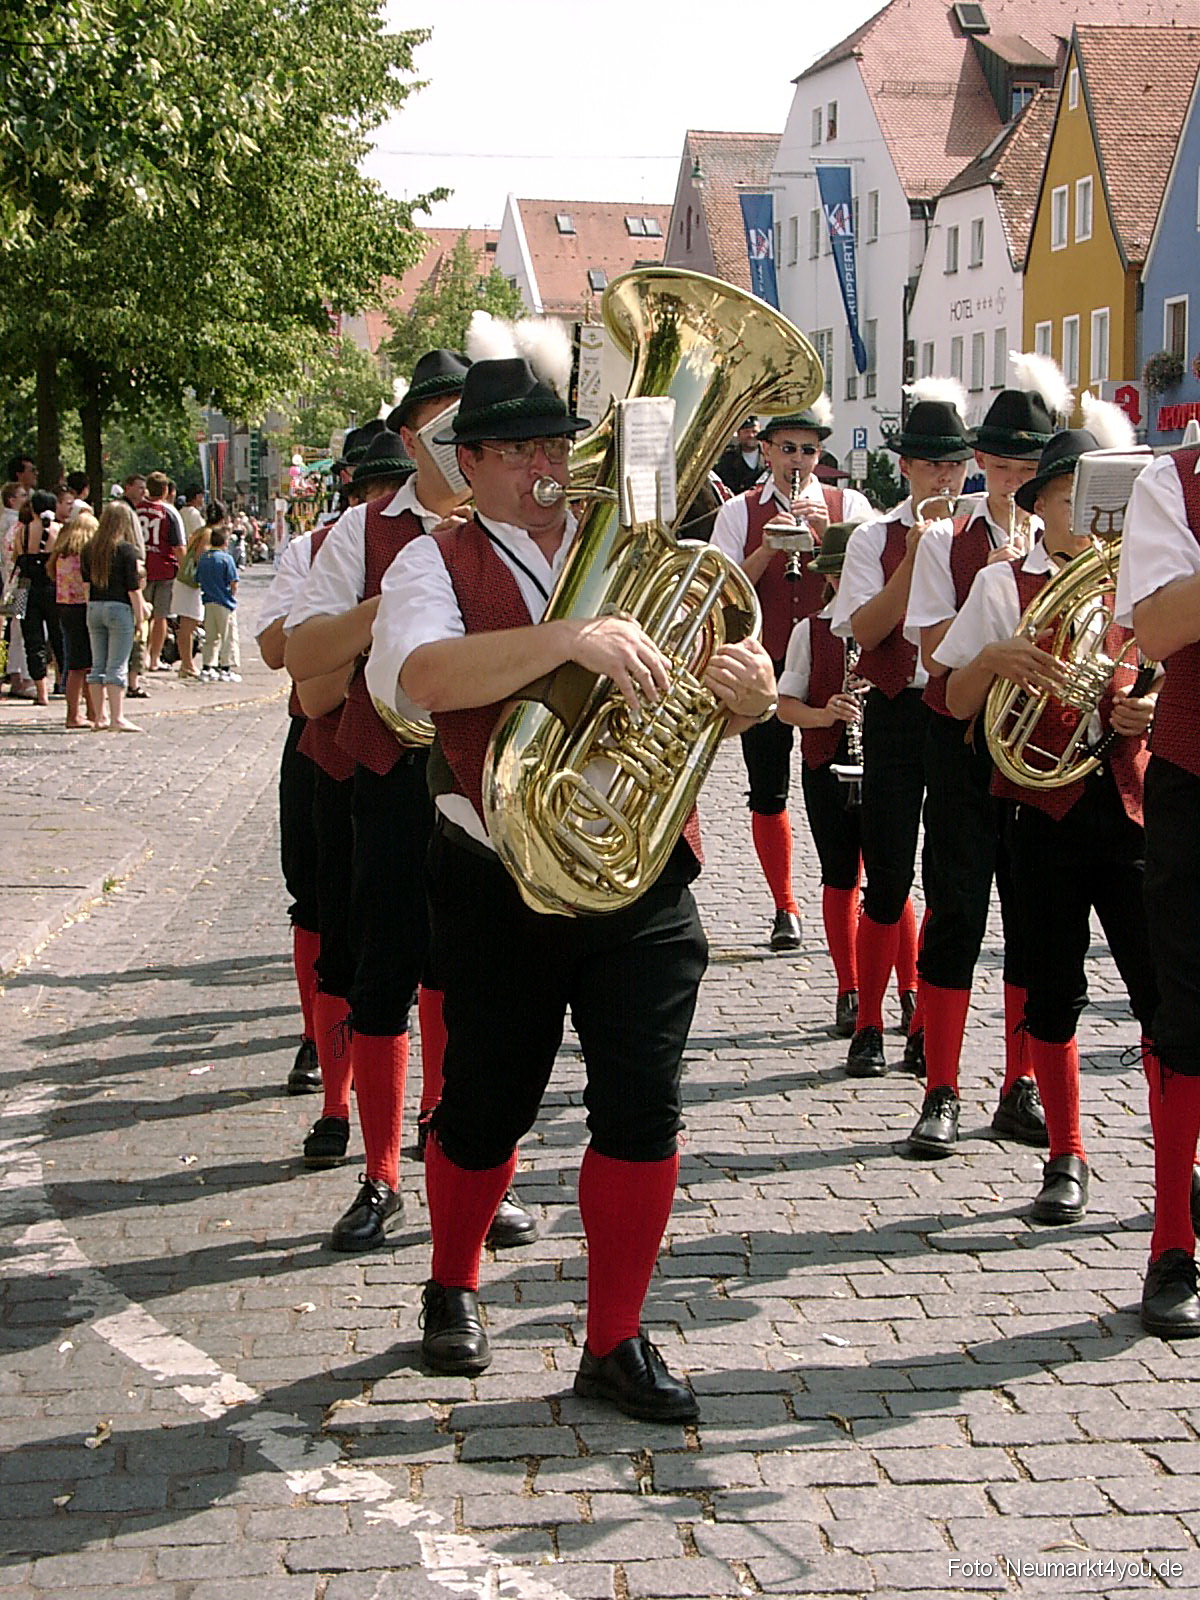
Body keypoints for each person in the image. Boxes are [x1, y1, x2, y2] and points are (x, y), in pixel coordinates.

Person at [367, 356, 777, 1417]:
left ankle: (615, 1339)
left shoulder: (645, 551)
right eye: (522, 450)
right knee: (484, 1106)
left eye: (559, 444)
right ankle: (452, 1280)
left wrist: (748, 692)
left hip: (639, 875)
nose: (550, 465)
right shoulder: (433, 559)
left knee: (643, 1109)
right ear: (473, 464)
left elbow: (706, 688)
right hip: (498, 873)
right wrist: (567, 641)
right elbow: (422, 679)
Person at [286, 353, 535, 1252]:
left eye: (463, 426)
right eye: (434, 427)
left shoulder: (522, 524)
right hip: (390, 775)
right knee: (386, 968)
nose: (451, 443)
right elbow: (300, 650)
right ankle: (382, 1170)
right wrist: (389, 603)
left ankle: (458, 1155)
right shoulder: (363, 530)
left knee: (469, 978)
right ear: (409, 438)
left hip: (487, 783)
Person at [935, 406, 1157, 1226]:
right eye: (1072, 498)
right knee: (1053, 988)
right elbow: (953, 699)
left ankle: (1184, 1159)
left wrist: (1145, 713)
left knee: (1159, 991)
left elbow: (1170, 686)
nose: (1092, 515)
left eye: (1108, 498)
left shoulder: (1142, 579)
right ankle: (1066, 1154)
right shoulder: (1003, 583)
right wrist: (994, 660)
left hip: (1130, 806)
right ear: (1040, 507)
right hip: (1041, 809)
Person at [900, 361, 1063, 1153]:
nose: (1007, 485)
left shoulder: (1064, 540)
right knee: (958, 906)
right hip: (960, 739)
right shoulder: (946, 538)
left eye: (1026, 472)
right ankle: (942, 1088)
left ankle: (1020, 1082)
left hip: (1037, 746)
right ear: (977, 465)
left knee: (1032, 919)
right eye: (997, 469)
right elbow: (932, 653)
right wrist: (997, 604)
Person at [831, 379, 974, 1078]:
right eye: (930, 465)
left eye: (953, 465)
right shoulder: (873, 538)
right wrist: (918, 555)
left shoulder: (986, 540)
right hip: (894, 706)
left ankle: (925, 1024)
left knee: (951, 877)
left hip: (957, 712)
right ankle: (867, 1022)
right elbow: (862, 631)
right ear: (907, 468)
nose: (943, 477)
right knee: (886, 871)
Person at [711, 398, 873, 950]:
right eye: (787, 449)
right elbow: (720, 591)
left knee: (844, 787)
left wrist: (833, 533)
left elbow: (873, 576)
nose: (797, 460)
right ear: (765, 451)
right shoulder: (739, 510)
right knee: (768, 787)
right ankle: (785, 906)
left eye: (808, 450)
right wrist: (765, 548)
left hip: (838, 662)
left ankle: (854, 897)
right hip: (767, 660)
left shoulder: (848, 501)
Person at [1116, 438, 1200, 1336]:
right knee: (1187, 1009)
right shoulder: (1168, 482)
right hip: (1195, 771)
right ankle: (1172, 1242)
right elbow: (1162, 625)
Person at [257, 526, 323, 1096]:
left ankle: (435, 1099)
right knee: (311, 891)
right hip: (317, 733)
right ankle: (314, 1034)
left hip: (419, 741)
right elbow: (274, 650)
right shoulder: (312, 549)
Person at [82, 499, 146, 731]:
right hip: (119, 608)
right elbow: (133, 590)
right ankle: (117, 717)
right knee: (117, 665)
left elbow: (86, 586)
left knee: (97, 664)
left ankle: (100, 716)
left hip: (95, 608)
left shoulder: (90, 549)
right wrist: (140, 618)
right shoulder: (127, 551)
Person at [47, 507, 100, 729]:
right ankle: (79, 714)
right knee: (84, 665)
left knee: (78, 663)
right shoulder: (86, 555)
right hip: (83, 609)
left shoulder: (61, 555)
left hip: (64, 608)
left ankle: (86, 711)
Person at [14, 491, 63, 707]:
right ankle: (66, 683)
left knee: (31, 641)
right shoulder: (59, 531)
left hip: (24, 590)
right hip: (54, 588)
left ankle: (41, 692)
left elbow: (15, 558)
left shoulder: (21, 531)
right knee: (60, 636)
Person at [139, 471, 185, 671]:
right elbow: (179, 546)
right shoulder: (169, 512)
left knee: (141, 616)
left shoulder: (136, 509)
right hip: (165, 570)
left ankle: (139, 656)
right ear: (166, 490)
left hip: (140, 569)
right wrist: (186, 571)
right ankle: (154, 658)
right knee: (160, 616)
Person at [173, 504, 217, 679]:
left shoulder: (200, 531)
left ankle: (187, 663)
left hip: (185, 581)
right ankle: (187, 664)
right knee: (188, 624)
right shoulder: (207, 534)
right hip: (191, 583)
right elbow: (201, 556)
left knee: (188, 624)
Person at [197, 526, 240, 681]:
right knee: (227, 636)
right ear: (225, 542)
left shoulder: (204, 558)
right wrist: (232, 595)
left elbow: (198, 579)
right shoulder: (226, 558)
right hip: (224, 602)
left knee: (211, 636)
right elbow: (233, 582)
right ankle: (225, 667)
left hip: (208, 601)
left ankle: (208, 666)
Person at [714, 419, 764, 496]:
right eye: (746, 432)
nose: (751, 435)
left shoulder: (770, 455)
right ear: (738, 434)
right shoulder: (727, 459)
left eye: (754, 432)